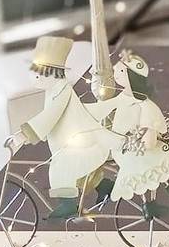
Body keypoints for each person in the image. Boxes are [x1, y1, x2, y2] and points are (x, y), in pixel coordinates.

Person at [14, 37, 115, 199]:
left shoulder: (62, 90)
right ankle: (106, 188)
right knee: (78, 172)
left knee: (60, 169)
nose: (35, 78)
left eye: (38, 73)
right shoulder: (52, 90)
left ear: (50, 73)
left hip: (81, 144)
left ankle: (67, 205)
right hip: (69, 142)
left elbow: (51, 115)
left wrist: (26, 133)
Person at [105, 51, 169, 202]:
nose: (115, 73)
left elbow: (149, 142)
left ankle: (152, 204)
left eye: (120, 71)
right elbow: (106, 106)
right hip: (120, 146)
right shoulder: (123, 97)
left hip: (135, 151)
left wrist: (135, 143)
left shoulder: (146, 106)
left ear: (132, 77)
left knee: (142, 172)